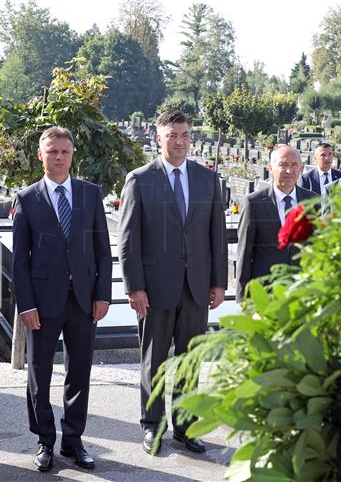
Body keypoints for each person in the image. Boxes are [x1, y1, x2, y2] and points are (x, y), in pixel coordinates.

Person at [119, 110, 228, 455]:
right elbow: (128, 239)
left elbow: (216, 236)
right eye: (172, 135)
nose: (179, 142)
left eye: (184, 135)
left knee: (189, 360)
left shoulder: (207, 180)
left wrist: (219, 282)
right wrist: (134, 287)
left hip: (196, 286)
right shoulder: (139, 179)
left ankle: (185, 426)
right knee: (154, 360)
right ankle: (153, 425)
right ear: (159, 137)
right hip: (154, 288)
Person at [12, 126, 112, 472]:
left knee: (79, 371)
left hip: (84, 301)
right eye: (51, 151)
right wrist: (25, 304)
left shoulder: (90, 194)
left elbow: (102, 251)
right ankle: (44, 440)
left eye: (64, 152)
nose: (58, 157)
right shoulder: (27, 198)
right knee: (39, 373)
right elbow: (19, 259)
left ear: (72, 155)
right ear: (41, 155)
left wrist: (103, 295)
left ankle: (73, 440)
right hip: (42, 302)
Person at [236, 146, 318, 297]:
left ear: (301, 168)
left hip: (303, 290)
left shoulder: (312, 201)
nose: (289, 170)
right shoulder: (254, 202)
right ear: (270, 167)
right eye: (283, 165)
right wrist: (242, 298)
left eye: (294, 165)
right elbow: (245, 253)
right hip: (266, 291)